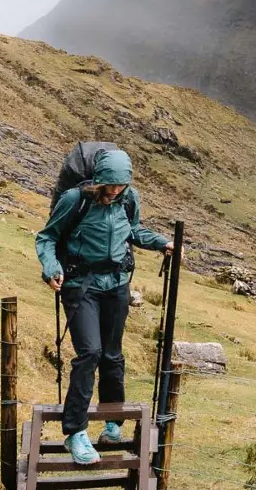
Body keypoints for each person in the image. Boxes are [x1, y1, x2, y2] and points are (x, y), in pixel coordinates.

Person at [35, 149, 172, 465]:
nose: (113, 192)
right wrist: (51, 267)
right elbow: (47, 237)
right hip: (81, 285)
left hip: (117, 286)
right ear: (97, 180)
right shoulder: (75, 200)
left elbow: (133, 230)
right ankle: (75, 432)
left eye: (119, 186)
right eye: (108, 186)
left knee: (113, 355)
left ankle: (113, 423)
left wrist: (160, 242)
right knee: (90, 353)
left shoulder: (128, 197)